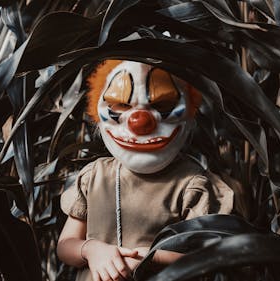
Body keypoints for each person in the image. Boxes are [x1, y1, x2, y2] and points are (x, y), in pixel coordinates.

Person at [57, 60, 234, 281]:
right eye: (121, 105)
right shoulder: (94, 176)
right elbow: (65, 246)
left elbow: (208, 259)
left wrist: (148, 258)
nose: (139, 122)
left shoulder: (192, 184)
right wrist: (91, 250)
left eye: (162, 105)